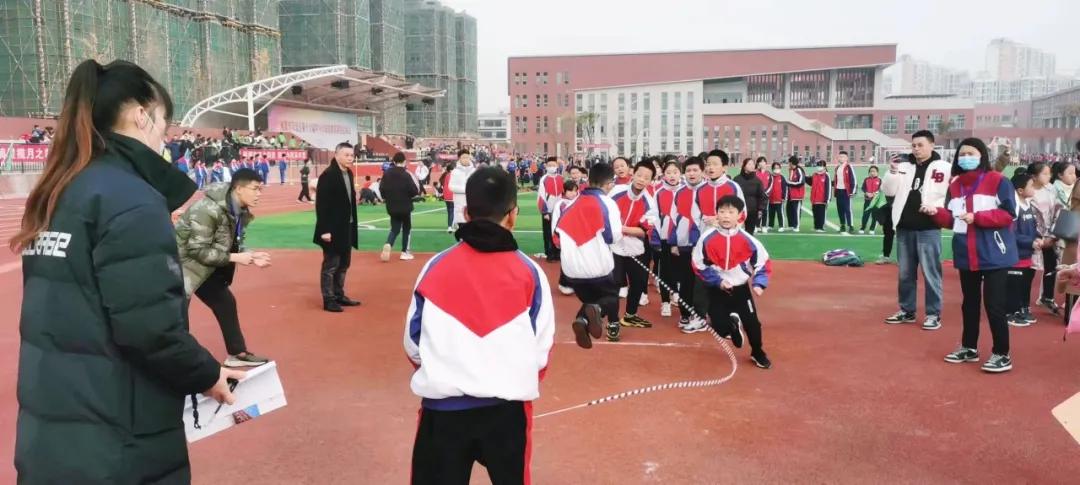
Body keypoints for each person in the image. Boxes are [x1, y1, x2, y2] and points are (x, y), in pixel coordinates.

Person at [12, 59, 243, 483]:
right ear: (141, 115)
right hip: (116, 435)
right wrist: (207, 374)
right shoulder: (131, 198)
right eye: (164, 124)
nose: (166, 138)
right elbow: (149, 329)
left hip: (55, 426)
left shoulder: (60, 189)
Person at [405, 167, 555, 485]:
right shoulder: (531, 274)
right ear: (513, 215)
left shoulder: (435, 268)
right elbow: (540, 353)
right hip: (506, 412)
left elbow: (413, 345)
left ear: (464, 212)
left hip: (443, 413)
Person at [926, 137, 1017, 373]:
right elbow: (951, 220)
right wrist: (936, 213)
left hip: (994, 252)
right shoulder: (954, 185)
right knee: (970, 304)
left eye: (971, 153)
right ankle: (969, 347)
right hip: (966, 252)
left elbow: (1008, 214)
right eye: (962, 154)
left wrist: (978, 218)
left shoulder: (998, 180)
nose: (966, 158)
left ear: (982, 155)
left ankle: (1001, 353)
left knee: (994, 305)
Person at [176, 168, 272, 367]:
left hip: (204, 266)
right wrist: (236, 257)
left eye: (260, 189)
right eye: (255, 189)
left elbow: (235, 242)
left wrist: (251, 255)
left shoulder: (240, 211)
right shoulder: (207, 210)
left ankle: (237, 354)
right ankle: (175, 367)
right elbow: (196, 250)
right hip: (179, 267)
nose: (258, 194)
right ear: (238, 188)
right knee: (177, 320)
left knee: (225, 302)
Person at [691, 195, 773, 369]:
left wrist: (759, 283)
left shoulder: (748, 240)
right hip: (717, 289)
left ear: (739, 215)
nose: (726, 216)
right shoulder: (706, 238)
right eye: (722, 212)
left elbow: (762, 262)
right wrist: (718, 281)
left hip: (740, 289)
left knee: (752, 323)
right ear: (716, 214)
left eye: (730, 212)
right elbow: (698, 264)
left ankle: (758, 352)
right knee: (719, 327)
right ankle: (732, 326)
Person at [884, 130, 951, 330]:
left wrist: (939, 211)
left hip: (929, 228)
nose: (916, 149)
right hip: (904, 227)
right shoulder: (903, 166)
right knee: (905, 273)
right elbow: (888, 191)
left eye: (920, 145)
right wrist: (893, 172)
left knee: (931, 273)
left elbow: (950, 195)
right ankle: (907, 310)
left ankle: (933, 314)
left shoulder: (944, 168)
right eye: (913, 145)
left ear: (931, 145)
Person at [552, 162, 624, 348]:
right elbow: (612, 236)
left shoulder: (571, 202)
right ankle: (596, 313)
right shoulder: (607, 203)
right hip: (596, 266)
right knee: (610, 297)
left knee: (591, 301)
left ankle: (583, 321)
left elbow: (557, 234)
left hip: (571, 270)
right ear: (609, 184)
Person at [610, 160, 660, 333]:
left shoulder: (649, 202)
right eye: (639, 175)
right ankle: (613, 321)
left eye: (646, 177)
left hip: (635, 248)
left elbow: (643, 231)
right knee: (614, 284)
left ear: (651, 180)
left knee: (638, 283)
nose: (641, 180)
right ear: (633, 174)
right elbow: (604, 214)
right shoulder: (617, 191)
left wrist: (622, 229)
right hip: (614, 246)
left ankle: (630, 315)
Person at [314, 142, 361, 313]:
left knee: (344, 264)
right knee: (331, 265)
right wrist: (325, 230)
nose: (350, 158)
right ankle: (329, 299)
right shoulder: (328, 175)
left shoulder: (348, 173)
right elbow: (322, 205)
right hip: (332, 229)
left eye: (351, 155)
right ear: (337, 155)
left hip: (346, 227)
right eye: (346, 155)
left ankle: (339, 294)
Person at [671, 157, 709, 331]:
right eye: (688, 171)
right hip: (684, 244)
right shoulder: (679, 192)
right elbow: (673, 218)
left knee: (701, 282)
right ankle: (685, 314)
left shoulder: (709, 190)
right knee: (685, 281)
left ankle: (701, 315)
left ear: (702, 171)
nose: (692, 174)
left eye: (695, 170)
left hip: (704, 245)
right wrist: (673, 242)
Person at [1027, 162, 1062, 315]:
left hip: (1049, 237)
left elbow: (1057, 211)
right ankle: (1022, 302)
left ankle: (1047, 296)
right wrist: (1037, 237)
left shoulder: (1050, 191)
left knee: (1051, 266)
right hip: (1033, 237)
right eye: (1045, 173)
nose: (1049, 176)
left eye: (1049, 173)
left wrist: (1052, 235)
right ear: (1034, 176)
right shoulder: (1027, 192)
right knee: (1030, 270)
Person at [1006, 170, 1039, 327]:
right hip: (1015, 255)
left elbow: (1031, 227)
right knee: (1013, 285)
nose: (1034, 189)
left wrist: (1038, 237)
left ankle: (1019, 309)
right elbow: (1011, 233)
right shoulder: (1014, 207)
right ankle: (1009, 312)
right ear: (1020, 190)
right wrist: (1030, 242)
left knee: (1024, 284)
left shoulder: (1027, 204)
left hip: (1026, 254)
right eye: (1031, 186)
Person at [652, 159, 683, 319]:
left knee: (680, 270)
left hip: (683, 239)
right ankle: (665, 302)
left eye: (675, 172)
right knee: (665, 271)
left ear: (680, 173)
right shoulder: (659, 193)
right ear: (663, 174)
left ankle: (676, 293)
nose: (672, 176)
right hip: (665, 238)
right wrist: (659, 236)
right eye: (668, 172)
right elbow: (655, 217)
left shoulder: (686, 191)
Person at [379, 152, 420, 262]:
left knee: (395, 229)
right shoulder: (406, 174)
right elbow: (414, 190)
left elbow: (381, 189)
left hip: (391, 206)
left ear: (393, 161)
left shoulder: (386, 174)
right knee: (407, 228)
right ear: (404, 161)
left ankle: (388, 243)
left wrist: (386, 197)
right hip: (405, 206)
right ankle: (404, 252)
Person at [537, 156, 564, 262]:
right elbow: (541, 196)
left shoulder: (560, 178)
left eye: (553, 165)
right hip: (548, 211)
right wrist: (544, 212)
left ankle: (557, 252)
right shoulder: (544, 179)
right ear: (546, 167)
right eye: (549, 165)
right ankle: (550, 254)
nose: (552, 167)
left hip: (559, 212)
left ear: (557, 166)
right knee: (548, 232)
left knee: (558, 232)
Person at [735, 157, 767, 235]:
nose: (752, 166)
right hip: (739, 211)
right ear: (744, 166)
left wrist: (760, 209)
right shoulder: (737, 180)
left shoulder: (757, 181)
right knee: (736, 232)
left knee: (750, 233)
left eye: (753, 164)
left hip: (753, 210)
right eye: (749, 164)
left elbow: (762, 196)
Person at [448, 150, 476, 233]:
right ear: (459, 159)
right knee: (463, 231)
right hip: (460, 204)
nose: (465, 159)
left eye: (467, 157)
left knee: (472, 232)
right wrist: (466, 190)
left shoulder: (474, 171)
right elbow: (451, 187)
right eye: (463, 157)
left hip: (472, 204)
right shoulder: (455, 172)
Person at [833, 151, 858, 234]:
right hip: (838, 191)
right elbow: (836, 180)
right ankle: (842, 225)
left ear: (846, 158)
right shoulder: (837, 168)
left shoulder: (849, 167)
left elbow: (853, 179)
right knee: (840, 209)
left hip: (846, 192)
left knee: (848, 209)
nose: (841, 158)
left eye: (843, 157)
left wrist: (852, 192)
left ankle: (851, 226)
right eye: (840, 157)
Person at [784, 156, 806, 232]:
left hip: (797, 195)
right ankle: (791, 225)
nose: (788, 164)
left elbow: (801, 182)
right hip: (790, 195)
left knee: (796, 211)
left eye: (789, 162)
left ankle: (797, 226)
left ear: (792, 163)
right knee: (789, 210)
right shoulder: (791, 170)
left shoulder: (799, 170)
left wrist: (789, 183)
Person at [809, 160, 831, 232]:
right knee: (815, 213)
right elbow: (812, 184)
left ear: (824, 167)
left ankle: (821, 227)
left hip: (822, 199)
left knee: (821, 214)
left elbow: (828, 187)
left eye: (821, 165)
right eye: (818, 165)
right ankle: (816, 226)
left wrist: (827, 199)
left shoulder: (826, 175)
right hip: (814, 199)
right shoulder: (814, 175)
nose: (819, 167)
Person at [859, 165, 882, 234]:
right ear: (869, 172)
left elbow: (881, 189)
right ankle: (862, 228)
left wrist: (875, 193)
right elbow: (863, 188)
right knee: (865, 214)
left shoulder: (879, 180)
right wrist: (867, 193)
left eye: (874, 171)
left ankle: (872, 229)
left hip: (876, 201)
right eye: (871, 171)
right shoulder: (866, 179)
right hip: (867, 200)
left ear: (877, 173)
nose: (872, 173)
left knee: (874, 215)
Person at [754, 157, 773, 233]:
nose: (762, 163)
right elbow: (753, 183)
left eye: (764, 161)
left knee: (765, 211)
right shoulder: (755, 173)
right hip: (756, 196)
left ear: (766, 163)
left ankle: (764, 226)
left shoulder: (769, 174)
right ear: (758, 163)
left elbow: (771, 185)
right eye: (760, 162)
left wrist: (765, 193)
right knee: (757, 211)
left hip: (765, 196)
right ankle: (756, 225)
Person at [766, 161, 786, 231]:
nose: (776, 169)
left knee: (780, 213)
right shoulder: (770, 177)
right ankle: (770, 225)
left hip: (779, 199)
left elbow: (784, 188)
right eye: (775, 168)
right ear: (772, 169)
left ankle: (781, 226)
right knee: (771, 213)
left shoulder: (782, 178)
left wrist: (783, 197)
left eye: (778, 168)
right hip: (771, 199)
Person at [438, 162, 455, 232]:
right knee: (452, 211)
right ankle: (451, 226)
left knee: (449, 211)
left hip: (446, 196)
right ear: (451, 170)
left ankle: (450, 225)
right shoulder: (452, 175)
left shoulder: (446, 175)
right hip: (451, 195)